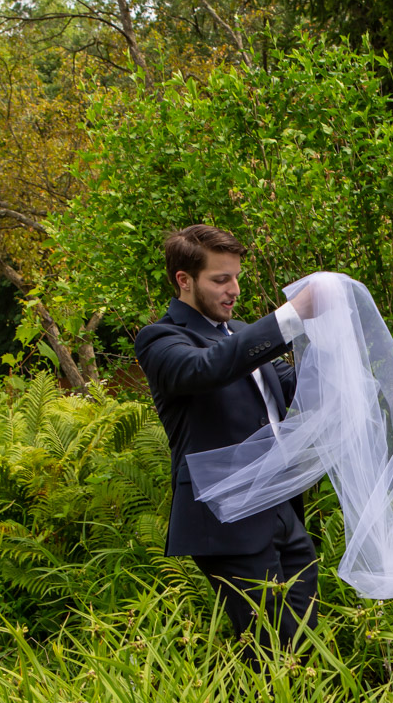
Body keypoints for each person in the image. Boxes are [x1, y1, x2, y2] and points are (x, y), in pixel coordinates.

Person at [133, 224, 319, 667]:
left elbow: (296, 388)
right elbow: (207, 369)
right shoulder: (161, 339)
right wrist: (288, 317)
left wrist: (332, 343)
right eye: (220, 279)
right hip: (227, 517)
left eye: (236, 277)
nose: (234, 289)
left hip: (283, 508)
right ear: (184, 280)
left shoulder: (239, 333)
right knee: (269, 648)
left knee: (304, 638)